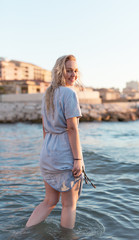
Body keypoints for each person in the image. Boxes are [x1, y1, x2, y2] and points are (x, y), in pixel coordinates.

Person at [26, 55, 84, 229]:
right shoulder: (69, 93)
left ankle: (23, 233)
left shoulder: (48, 93)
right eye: (68, 70)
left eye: (75, 71)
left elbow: (45, 128)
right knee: (69, 205)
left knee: (49, 201)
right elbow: (72, 129)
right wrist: (78, 159)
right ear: (60, 71)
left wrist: (50, 152)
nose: (73, 75)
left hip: (48, 153)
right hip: (64, 154)